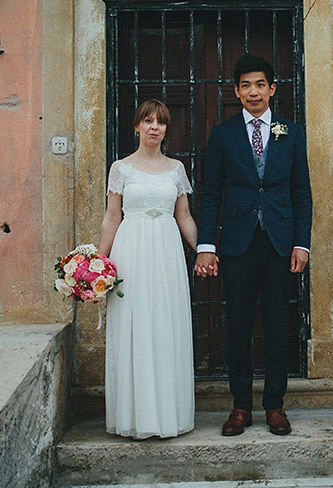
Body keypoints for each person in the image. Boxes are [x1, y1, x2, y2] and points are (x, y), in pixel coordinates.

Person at [195, 54, 313, 436]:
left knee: (279, 324)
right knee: (239, 325)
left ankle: (275, 406)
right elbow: (211, 193)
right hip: (237, 244)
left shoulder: (290, 133)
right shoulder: (223, 135)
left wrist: (302, 243)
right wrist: (206, 245)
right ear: (236, 91)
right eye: (245, 85)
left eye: (260, 84)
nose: (253, 91)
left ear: (272, 89)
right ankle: (241, 406)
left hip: (280, 243)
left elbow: (301, 193)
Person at [98, 99, 198, 439]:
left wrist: (205, 252)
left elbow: (183, 216)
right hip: (132, 250)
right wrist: (98, 262)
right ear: (137, 126)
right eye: (148, 120)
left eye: (161, 122)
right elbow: (113, 216)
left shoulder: (176, 169)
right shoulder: (121, 168)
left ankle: (168, 414)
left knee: (165, 324)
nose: (155, 126)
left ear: (167, 129)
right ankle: (136, 416)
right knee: (135, 323)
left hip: (167, 252)